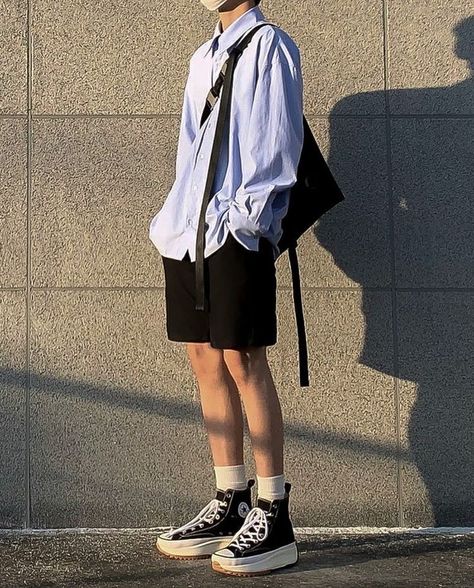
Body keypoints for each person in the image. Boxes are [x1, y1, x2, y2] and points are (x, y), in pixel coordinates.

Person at [149, 0, 304, 576]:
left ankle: (274, 510)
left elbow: (277, 148)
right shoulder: (201, 57)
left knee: (244, 359)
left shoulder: (271, 46)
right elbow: (191, 146)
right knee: (204, 359)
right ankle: (231, 498)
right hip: (190, 231)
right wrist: (176, 218)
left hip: (235, 232)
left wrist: (245, 221)